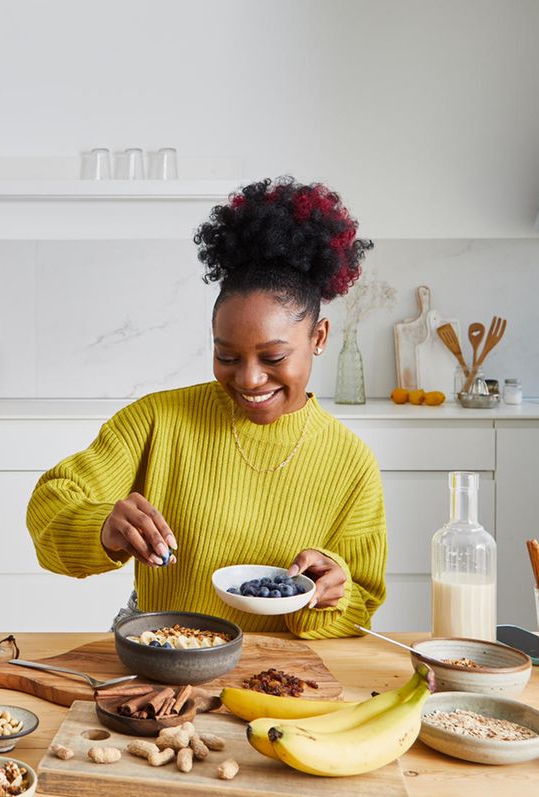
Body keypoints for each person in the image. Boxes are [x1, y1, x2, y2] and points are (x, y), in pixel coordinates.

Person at [26, 177, 386, 638]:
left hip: (276, 681)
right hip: (163, 663)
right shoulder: (157, 421)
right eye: (227, 357)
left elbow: (362, 610)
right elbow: (49, 510)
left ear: (318, 338)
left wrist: (333, 590)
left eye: (273, 358)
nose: (249, 380)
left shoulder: (349, 462)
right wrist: (103, 527)